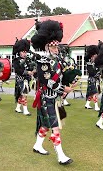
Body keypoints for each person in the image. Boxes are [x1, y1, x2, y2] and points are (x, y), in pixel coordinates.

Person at [31, 20, 73, 165]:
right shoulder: (43, 61)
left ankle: (37, 145)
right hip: (46, 97)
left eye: (57, 45)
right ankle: (61, 155)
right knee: (55, 126)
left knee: (46, 125)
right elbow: (48, 81)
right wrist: (63, 89)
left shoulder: (58, 60)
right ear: (47, 45)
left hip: (55, 98)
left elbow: (61, 77)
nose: (56, 48)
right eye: (53, 45)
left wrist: (69, 81)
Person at [12, 39, 34, 116]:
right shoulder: (16, 60)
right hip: (20, 79)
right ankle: (25, 110)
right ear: (19, 51)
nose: (25, 53)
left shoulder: (28, 59)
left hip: (27, 79)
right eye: (23, 52)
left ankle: (18, 108)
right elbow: (18, 70)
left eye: (25, 52)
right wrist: (27, 72)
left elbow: (30, 68)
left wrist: (32, 71)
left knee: (22, 94)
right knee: (24, 94)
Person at [84, 45, 100, 111]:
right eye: (95, 55)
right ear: (92, 55)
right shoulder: (89, 64)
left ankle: (87, 104)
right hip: (91, 80)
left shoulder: (93, 63)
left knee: (91, 94)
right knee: (95, 93)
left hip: (94, 80)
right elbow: (92, 73)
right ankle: (96, 106)